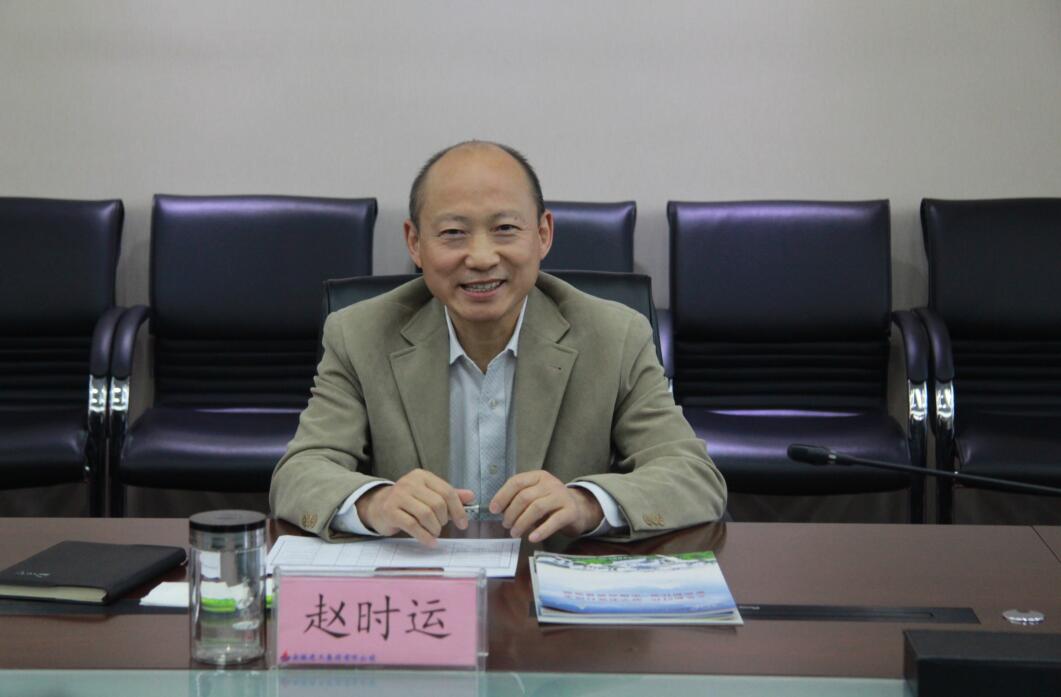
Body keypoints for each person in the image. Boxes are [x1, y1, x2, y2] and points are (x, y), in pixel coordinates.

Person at [269, 140, 726, 544]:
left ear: (543, 234)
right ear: (414, 242)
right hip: (423, 588)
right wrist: (375, 503)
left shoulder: (615, 335)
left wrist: (585, 504)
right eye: (453, 233)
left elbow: (693, 478)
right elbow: (299, 474)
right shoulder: (359, 334)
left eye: (505, 229)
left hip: (549, 591)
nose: (482, 257)